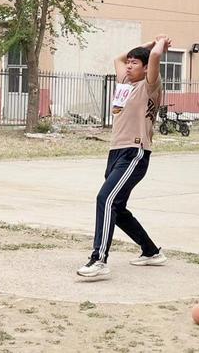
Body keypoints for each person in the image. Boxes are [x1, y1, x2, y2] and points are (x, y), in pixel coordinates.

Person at [77, 35, 169, 277]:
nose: (128, 65)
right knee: (117, 207)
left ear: (146, 68)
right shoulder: (125, 84)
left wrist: (158, 45)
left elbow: (157, 57)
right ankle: (150, 251)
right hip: (116, 152)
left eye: (135, 63)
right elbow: (117, 58)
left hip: (134, 152)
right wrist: (145, 45)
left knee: (105, 200)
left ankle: (98, 259)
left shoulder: (150, 85)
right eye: (129, 62)